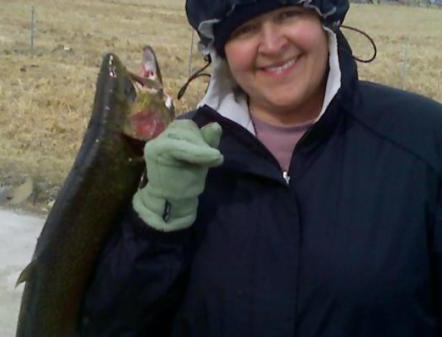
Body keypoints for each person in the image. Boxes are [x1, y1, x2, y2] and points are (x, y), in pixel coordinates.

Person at [80, 0, 442, 336]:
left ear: (324, 19)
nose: (271, 44)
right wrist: (155, 227)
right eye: (244, 29)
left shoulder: (424, 140)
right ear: (220, 50)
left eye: (288, 13)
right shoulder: (171, 157)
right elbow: (111, 325)